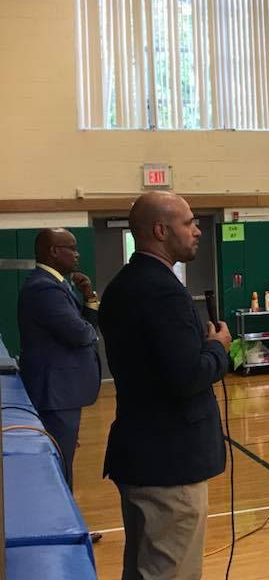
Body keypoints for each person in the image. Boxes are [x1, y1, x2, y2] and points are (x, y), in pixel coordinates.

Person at [100, 191, 232, 580]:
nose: (197, 231)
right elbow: (187, 376)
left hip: (143, 452)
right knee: (169, 571)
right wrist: (217, 348)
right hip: (169, 463)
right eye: (189, 223)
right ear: (160, 230)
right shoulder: (160, 291)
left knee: (144, 569)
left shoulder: (123, 284)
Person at [17, 228, 101, 490]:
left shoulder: (58, 285)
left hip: (62, 392)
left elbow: (85, 326)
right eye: (72, 248)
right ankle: (64, 527)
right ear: (54, 251)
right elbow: (79, 333)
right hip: (55, 393)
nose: (77, 255)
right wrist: (89, 331)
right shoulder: (44, 289)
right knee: (59, 462)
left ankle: (69, 524)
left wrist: (88, 296)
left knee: (63, 460)